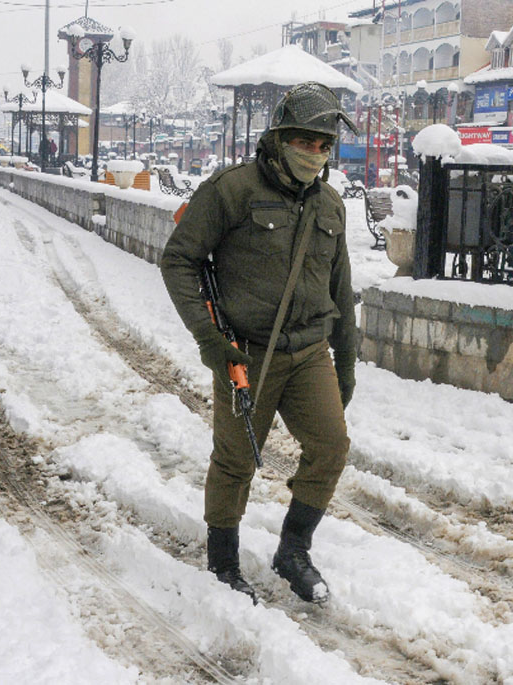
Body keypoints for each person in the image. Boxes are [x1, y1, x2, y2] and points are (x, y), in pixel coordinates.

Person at [160, 82, 359, 604]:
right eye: (305, 140)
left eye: (324, 144)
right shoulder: (232, 189)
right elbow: (179, 259)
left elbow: (341, 288)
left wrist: (348, 363)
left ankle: (293, 548)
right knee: (235, 459)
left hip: (310, 351)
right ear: (277, 138)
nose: (315, 153)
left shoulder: (331, 206)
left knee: (331, 447)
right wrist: (209, 340)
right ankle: (223, 561)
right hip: (245, 351)